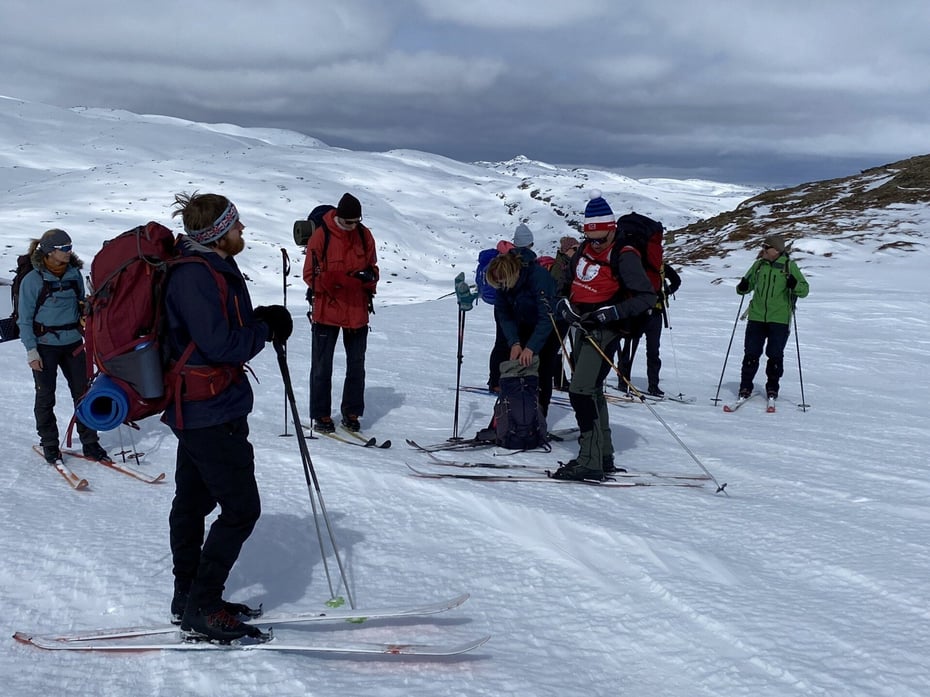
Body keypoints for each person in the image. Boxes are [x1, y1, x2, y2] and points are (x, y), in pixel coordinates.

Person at [165, 191, 292, 642]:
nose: (242, 231)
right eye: (235, 225)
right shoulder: (196, 276)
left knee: (194, 503)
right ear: (217, 233)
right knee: (241, 509)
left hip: (206, 405)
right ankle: (201, 605)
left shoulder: (210, 267)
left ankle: (189, 597)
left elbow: (214, 331)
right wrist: (265, 329)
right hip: (206, 408)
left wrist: (257, 319)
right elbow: (220, 346)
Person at [552, 192, 657, 481]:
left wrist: (612, 313)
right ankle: (603, 454)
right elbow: (565, 285)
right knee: (593, 390)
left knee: (580, 391)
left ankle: (589, 460)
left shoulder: (625, 255)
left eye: (600, 238)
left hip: (605, 329)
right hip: (581, 325)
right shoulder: (584, 251)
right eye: (591, 238)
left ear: (611, 229)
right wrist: (564, 305)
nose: (595, 243)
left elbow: (647, 297)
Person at [18, 229, 108, 464]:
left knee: (83, 394)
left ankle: (90, 443)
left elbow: (80, 304)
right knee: (46, 396)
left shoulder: (73, 274)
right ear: (50, 251)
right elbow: (24, 319)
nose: (69, 252)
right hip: (44, 346)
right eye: (64, 248)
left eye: (70, 247)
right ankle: (49, 443)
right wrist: (31, 351)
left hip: (73, 345)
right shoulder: (33, 280)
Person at [302, 193, 379, 433]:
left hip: (356, 311)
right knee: (322, 366)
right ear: (338, 217)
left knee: (357, 366)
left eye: (356, 221)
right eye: (349, 222)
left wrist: (370, 278)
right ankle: (321, 415)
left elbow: (374, 268)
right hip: (326, 312)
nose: (353, 227)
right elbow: (309, 276)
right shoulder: (321, 236)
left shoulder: (365, 236)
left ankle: (352, 413)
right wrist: (341, 281)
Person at [484, 232, 559, 416]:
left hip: (551, 324)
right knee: (517, 366)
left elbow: (546, 317)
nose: (501, 286)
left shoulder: (537, 277)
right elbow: (504, 315)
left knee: (543, 367)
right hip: (524, 321)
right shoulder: (504, 284)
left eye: (502, 283)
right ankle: (517, 414)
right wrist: (515, 342)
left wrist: (531, 347)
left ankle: (539, 416)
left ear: (512, 274)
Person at [736, 234, 809, 400]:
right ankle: (745, 387)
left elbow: (804, 290)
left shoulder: (789, 267)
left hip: (780, 318)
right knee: (751, 354)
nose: (763, 250)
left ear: (776, 250)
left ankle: (772, 388)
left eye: (766, 247)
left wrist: (794, 284)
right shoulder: (758, 266)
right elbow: (744, 288)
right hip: (756, 316)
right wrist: (743, 286)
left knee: (775, 355)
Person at [618, 263, 682, 397]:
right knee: (640, 349)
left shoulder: (654, 265)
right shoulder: (655, 265)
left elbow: (676, 281)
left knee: (636, 348)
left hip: (647, 313)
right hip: (645, 313)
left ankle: (629, 381)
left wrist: (665, 293)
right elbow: (676, 281)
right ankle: (631, 381)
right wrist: (666, 293)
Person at [549, 235, 581, 390]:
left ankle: (575, 377)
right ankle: (559, 379)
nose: (577, 250)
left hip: (573, 310)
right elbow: (556, 290)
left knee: (575, 343)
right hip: (560, 311)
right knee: (560, 345)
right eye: (574, 248)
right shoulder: (560, 266)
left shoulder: (573, 264)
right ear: (566, 250)